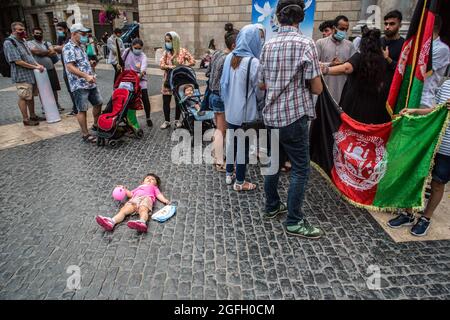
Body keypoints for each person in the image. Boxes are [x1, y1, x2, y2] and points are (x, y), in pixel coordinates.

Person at [259, 0, 323, 239]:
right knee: (300, 169)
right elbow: (316, 88)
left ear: (278, 17)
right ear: (300, 18)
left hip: (272, 116)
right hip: (294, 117)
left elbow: (262, 83)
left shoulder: (268, 45)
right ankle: (294, 221)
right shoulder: (307, 43)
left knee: (273, 164)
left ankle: (272, 206)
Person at [388, 81, 450, 237]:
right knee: (416, 176)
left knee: (438, 183)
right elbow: (436, 111)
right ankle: (408, 213)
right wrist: (415, 111)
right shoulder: (446, 84)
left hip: (448, 149)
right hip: (430, 141)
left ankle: (425, 218)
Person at [220, 24, 264, 192]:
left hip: (231, 111)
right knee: (243, 147)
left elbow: (224, 84)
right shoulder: (253, 62)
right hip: (246, 113)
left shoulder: (230, 57)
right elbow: (259, 90)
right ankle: (240, 182)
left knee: (232, 143)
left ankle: (229, 173)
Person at [322, 29, 391, 124]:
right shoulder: (383, 60)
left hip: (355, 105)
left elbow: (346, 68)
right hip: (376, 105)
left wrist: (326, 70)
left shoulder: (359, 57)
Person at [206, 23, 239, 172]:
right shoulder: (230, 58)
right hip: (220, 96)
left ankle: (215, 153)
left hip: (212, 95)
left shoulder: (217, 54)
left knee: (218, 128)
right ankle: (219, 161)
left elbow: (207, 73)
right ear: (234, 45)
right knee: (221, 130)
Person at [63, 23, 103, 143]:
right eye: (83, 34)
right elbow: (70, 67)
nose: (85, 36)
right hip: (79, 84)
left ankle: (96, 125)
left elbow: (81, 63)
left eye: (86, 34)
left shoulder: (81, 46)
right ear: (74, 34)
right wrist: (86, 76)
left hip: (90, 82)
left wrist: (90, 65)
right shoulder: (68, 47)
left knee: (99, 103)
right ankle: (85, 134)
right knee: (82, 109)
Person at [95, 173, 171, 233]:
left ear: (156, 184)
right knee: (124, 210)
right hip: (135, 199)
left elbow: (159, 195)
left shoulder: (154, 188)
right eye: (147, 178)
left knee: (143, 209)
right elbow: (130, 194)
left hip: (146, 198)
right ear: (142, 182)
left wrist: (165, 200)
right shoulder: (139, 187)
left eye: (152, 179)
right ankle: (112, 221)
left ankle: (142, 222)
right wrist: (124, 189)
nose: (149, 180)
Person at [3, 22, 45, 126]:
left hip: (31, 73)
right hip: (21, 75)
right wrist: (35, 67)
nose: (23, 32)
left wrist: (37, 64)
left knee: (29, 96)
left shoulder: (23, 40)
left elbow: (29, 56)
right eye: (20, 30)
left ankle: (33, 115)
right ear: (13, 30)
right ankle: (26, 119)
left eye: (23, 29)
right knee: (23, 97)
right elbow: (17, 61)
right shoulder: (9, 42)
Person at [159, 31, 195, 129]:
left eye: (169, 41)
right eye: (166, 41)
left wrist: (183, 66)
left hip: (178, 80)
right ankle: (166, 121)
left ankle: (177, 120)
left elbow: (192, 61)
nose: (167, 43)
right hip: (167, 80)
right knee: (166, 101)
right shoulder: (166, 52)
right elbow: (161, 65)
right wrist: (170, 66)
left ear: (175, 40)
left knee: (178, 100)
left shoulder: (182, 51)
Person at [316, 15, 355, 103]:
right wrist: (330, 64)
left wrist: (344, 64)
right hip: (324, 88)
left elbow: (353, 65)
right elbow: (315, 64)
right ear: (334, 28)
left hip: (343, 88)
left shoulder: (350, 45)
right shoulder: (320, 43)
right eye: (341, 29)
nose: (344, 32)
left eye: (346, 29)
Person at [27, 27, 63, 112]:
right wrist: (47, 52)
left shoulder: (47, 42)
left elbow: (53, 52)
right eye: (36, 33)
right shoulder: (30, 43)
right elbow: (36, 52)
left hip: (50, 67)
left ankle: (56, 104)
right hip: (39, 70)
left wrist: (42, 52)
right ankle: (44, 106)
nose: (38, 35)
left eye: (40, 33)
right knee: (42, 89)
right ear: (33, 34)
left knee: (54, 88)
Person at [122, 38, 153, 127]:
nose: (137, 50)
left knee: (145, 98)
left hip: (140, 79)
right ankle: (128, 118)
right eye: (136, 48)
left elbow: (143, 68)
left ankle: (148, 117)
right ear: (132, 46)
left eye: (139, 48)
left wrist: (140, 74)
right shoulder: (127, 51)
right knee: (128, 99)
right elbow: (121, 61)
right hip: (128, 79)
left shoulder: (143, 56)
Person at [420, 16, 450, 108]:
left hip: (424, 100)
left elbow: (423, 73)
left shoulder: (442, 48)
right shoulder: (421, 45)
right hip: (410, 95)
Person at [54, 21, 77, 116]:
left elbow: (61, 48)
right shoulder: (61, 38)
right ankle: (75, 107)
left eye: (60, 29)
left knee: (76, 89)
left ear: (66, 29)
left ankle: (78, 107)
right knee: (70, 89)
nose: (59, 32)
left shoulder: (70, 38)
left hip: (72, 67)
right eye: (57, 30)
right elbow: (58, 50)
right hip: (65, 68)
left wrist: (57, 47)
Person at [381, 10, 405, 85]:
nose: (387, 27)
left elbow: (402, 69)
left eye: (392, 24)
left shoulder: (404, 45)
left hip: (393, 87)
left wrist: (388, 59)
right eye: (386, 24)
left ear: (400, 25)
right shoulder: (378, 42)